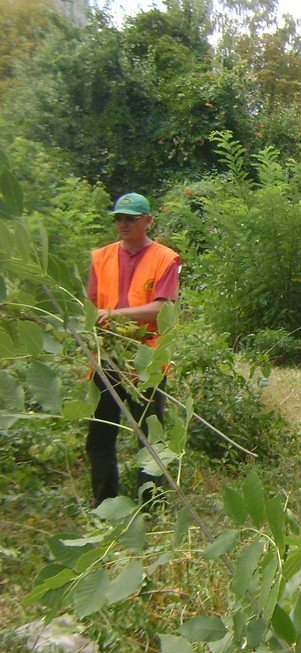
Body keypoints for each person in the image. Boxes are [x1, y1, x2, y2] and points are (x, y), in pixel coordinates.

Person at [86, 193, 181, 505]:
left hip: (147, 358)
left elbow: (161, 308)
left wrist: (114, 315)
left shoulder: (165, 258)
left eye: (131, 218)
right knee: (100, 436)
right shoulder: (100, 257)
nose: (124, 224)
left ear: (148, 220)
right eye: (119, 218)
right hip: (106, 355)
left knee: (150, 437)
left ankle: (151, 504)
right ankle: (105, 505)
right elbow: (91, 306)